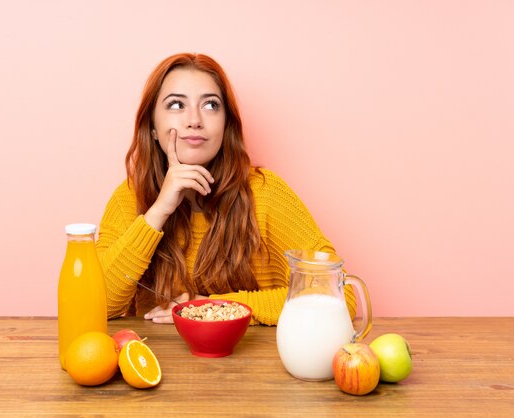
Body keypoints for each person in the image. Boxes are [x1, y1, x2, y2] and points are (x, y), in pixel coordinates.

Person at [96, 52, 356, 325]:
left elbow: (339, 297)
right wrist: (159, 211)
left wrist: (214, 308)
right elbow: (95, 303)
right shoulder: (129, 197)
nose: (194, 119)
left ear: (226, 124)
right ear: (151, 127)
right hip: (160, 362)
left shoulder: (266, 193)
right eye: (176, 105)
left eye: (210, 105)